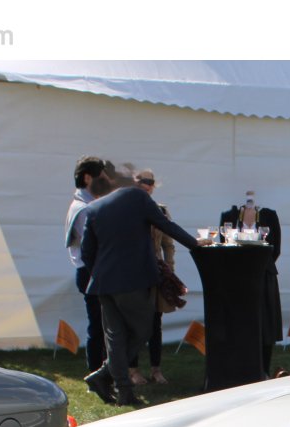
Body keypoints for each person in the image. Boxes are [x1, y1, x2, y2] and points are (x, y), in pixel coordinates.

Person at [80, 170, 210, 406]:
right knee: (143, 330)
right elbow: (165, 225)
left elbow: (87, 253)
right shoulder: (137, 199)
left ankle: (123, 391)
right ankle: (104, 376)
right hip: (132, 280)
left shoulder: (94, 208)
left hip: (103, 283)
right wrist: (195, 244)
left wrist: (101, 273)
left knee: (116, 337)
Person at [218, 191, 283, 375]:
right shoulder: (228, 215)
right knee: (240, 322)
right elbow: (223, 244)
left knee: (265, 324)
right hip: (237, 276)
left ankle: (264, 369)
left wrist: (260, 265)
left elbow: (275, 248)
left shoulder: (269, 215)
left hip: (263, 275)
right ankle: (239, 368)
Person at [127, 169, 178, 385]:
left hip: (156, 272)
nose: (145, 185)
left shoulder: (161, 211)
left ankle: (156, 370)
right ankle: (133, 370)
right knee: (135, 323)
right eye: (141, 181)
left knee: (155, 323)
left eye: (149, 182)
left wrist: (170, 270)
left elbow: (168, 243)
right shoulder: (126, 210)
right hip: (134, 273)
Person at [66, 155, 111, 374]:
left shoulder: (85, 204)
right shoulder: (83, 209)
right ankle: (96, 373)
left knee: (101, 325)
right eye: (101, 178)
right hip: (91, 272)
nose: (106, 183)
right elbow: (92, 246)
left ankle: (101, 371)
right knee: (98, 326)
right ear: (87, 178)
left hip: (92, 271)